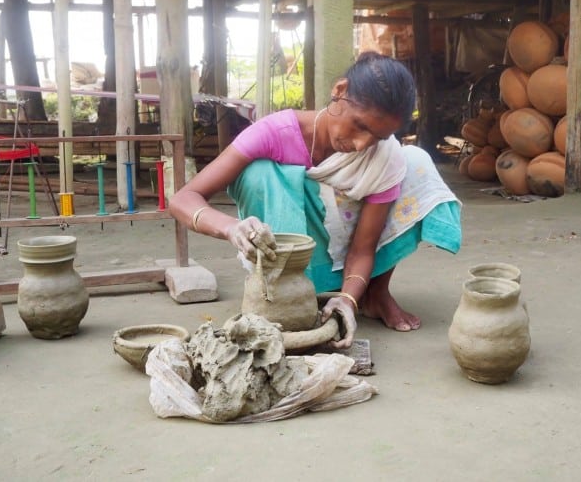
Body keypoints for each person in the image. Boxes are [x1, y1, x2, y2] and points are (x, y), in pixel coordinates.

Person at [168, 51, 462, 348]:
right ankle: (283, 291)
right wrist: (231, 227)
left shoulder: (381, 157)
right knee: (260, 173)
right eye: (360, 125)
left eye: (377, 136)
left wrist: (347, 300)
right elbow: (184, 199)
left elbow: (363, 249)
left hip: (349, 248)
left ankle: (373, 292)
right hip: (296, 250)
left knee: (413, 161)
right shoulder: (274, 132)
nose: (362, 144)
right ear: (339, 91)